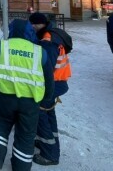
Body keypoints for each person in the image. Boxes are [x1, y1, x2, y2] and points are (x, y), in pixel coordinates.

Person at [0, 19, 54, 171]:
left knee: (1, 126)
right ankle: (21, 166)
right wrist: (47, 98)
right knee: (26, 134)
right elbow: (49, 78)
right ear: (30, 32)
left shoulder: (0, 46)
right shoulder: (40, 52)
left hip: (5, 98)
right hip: (30, 102)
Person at [29, 12, 71, 166]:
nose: (33, 27)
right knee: (48, 114)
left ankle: (50, 154)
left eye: (35, 24)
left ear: (42, 24)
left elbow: (46, 67)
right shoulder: (51, 34)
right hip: (58, 82)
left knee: (40, 115)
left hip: (52, 83)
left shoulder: (48, 40)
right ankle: (46, 142)